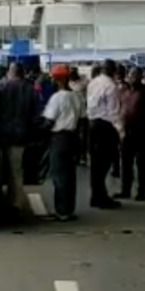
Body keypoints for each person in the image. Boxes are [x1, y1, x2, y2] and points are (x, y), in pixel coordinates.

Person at [0, 63, 38, 213]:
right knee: (16, 170)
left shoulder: (0, 87)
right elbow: (36, 114)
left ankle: (5, 201)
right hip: (20, 136)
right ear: (22, 73)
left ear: (10, 72)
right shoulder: (30, 89)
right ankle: (14, 201)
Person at [42, 64, 84, 221]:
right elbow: (82, 120)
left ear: (58, 80)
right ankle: (69, 209)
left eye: (53, 78)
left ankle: (61, 211)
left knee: (59, 176)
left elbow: (49, 122)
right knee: (70, 176)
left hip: (59, 138)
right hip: (72, 138)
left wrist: (38, 133)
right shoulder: (77, 96)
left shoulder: (57, 98)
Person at [85, 59, 123, 209]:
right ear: (113, 70)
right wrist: (121, 131)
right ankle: (101, 198)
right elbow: (113, 112)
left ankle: (96, 196)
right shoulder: (111, 86)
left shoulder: (93, 83)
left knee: (96, 164)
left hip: (92, 124)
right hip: (106, 126)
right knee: (105, 163)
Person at [117, 67, 145, 201]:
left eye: (136, 75)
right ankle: (125, 189)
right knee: (126, 162)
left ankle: (142, 191)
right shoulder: (124, 92)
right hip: (126, 131)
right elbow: (121, 109)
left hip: (141, 131)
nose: (133, 78)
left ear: (141, 77)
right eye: (131, 75)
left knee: (141, 162)